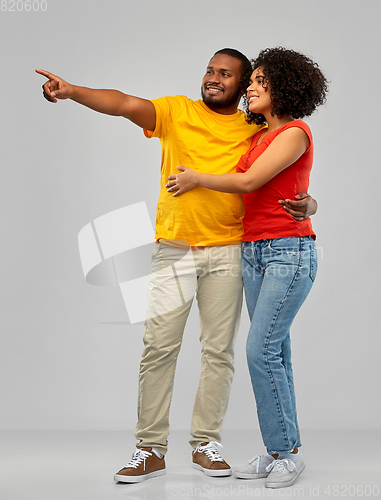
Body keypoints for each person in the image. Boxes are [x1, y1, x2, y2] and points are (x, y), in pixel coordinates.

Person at [36, 48, 318, 483]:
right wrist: (73, 91)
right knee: (159, 347)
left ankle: (207, 442)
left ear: (244, 86)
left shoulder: (256, 127)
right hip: (174, 247)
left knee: (219, 352)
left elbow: (281, 177)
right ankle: (149, 448)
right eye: (210, 70)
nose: (214, 78)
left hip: (230, 250)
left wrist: (312, 203)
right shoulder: (176, 111)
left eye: (226, 74)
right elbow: (125, 103)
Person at [166, 47, 328, 489]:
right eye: (251, 80)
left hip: (288, 253)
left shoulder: (295, 132)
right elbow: (277, 189)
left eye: (260, 81)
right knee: (277, 352)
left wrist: (197, 177)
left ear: (285, 88)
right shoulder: (257, 138)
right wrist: (310, 200)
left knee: (260, 350)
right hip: (254, 251)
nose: (250, 87)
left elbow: (250, 182)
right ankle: (283, 450)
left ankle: (285, 451)